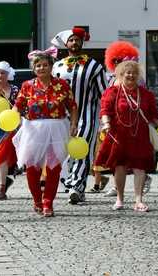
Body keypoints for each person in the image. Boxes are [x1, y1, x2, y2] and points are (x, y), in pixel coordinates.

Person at [94, 61, 158, 212]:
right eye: (127, 72)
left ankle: (139, 201)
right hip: (118, 134)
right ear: (121, 75)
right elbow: (105, 111)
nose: (130, 75)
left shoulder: (146, 94)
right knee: (120, 166)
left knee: (140, 167)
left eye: (134, 72)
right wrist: (106, 124)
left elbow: (154, 115)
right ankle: (119, 199)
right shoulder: (113, 92)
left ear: (138, 76)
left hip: (140, 135)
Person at [12, 51, 78, 217]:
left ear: (51, 67)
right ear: (34, 69)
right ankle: (37, 200)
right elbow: (18, 105)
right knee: (32, 167)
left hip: (57, 128)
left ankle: (48, 202)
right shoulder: (27, 85)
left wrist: (74, 124)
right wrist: (11, 117)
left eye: (45, 65)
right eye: (38, 65)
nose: (41, 68)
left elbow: (72, 106)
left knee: (54, 167)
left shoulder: (62, 84)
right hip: (33, 129)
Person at [51, 27, 107, 204]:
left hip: (87, 115)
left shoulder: (94, 66)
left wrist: (106, 117)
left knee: (82, 151)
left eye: (77, 40)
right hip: (62, 117)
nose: (74, 43)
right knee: (64, 152)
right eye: (71, 40)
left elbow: (104, 93)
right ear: (66, 44)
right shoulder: (57, 66)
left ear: (82, 43)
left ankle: (77, 187)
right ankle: (70, 182)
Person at [101, 41, 152, 197]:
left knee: (135, 160)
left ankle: (142, 183)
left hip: (135, 126)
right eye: (115, 60)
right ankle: (119, 190)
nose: (117, 63)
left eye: (120, 60)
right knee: (117, 159)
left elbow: (143, 102)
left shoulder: (137, 79)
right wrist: (105, 121)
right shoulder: (112, 79)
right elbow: (107, 103)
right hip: (116, 127)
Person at [0, 61, 20, 200]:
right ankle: (5, 181)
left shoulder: (15, 90)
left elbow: (21, 106)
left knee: (2, 156)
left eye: (3, 73)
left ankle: (2, 187)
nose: (0, 75)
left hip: (12, 126)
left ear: (8, 75)